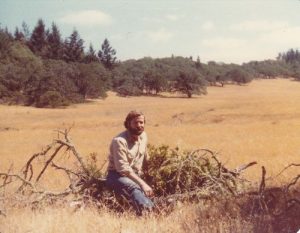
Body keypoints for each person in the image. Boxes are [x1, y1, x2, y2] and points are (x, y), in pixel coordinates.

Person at [106, 110, 154, 215]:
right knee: (135, 188)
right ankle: (149, 212)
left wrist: (151, 174)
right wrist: (143, 184)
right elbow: (123, 169)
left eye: (141, 122)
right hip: (117, 176)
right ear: (128, 124)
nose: (139, 125)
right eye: (135, 123)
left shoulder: (144, 136)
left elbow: (146, 157)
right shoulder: (119, 141)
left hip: (136, 174)